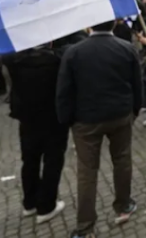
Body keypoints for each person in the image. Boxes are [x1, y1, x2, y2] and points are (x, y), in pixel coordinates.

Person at [56, 21, 142, 238]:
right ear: (113, 24)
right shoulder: (126, 47)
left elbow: (64, 90)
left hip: (86, 119)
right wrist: (134, 110)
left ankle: (85, 226)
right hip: (120, 114)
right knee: (122, 160)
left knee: (87, 171)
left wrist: (66, 119)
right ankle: (123, 205)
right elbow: (137, 83)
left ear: (88, 26)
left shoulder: (74, 52)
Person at [3, 32, 85, 224]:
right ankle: (46, 206)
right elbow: (76, 44)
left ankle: (29, 202)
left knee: (29, 159)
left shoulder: (15, 60)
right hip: (53, 118)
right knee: (52, 161)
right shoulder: (57, 59)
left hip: (27, 118)